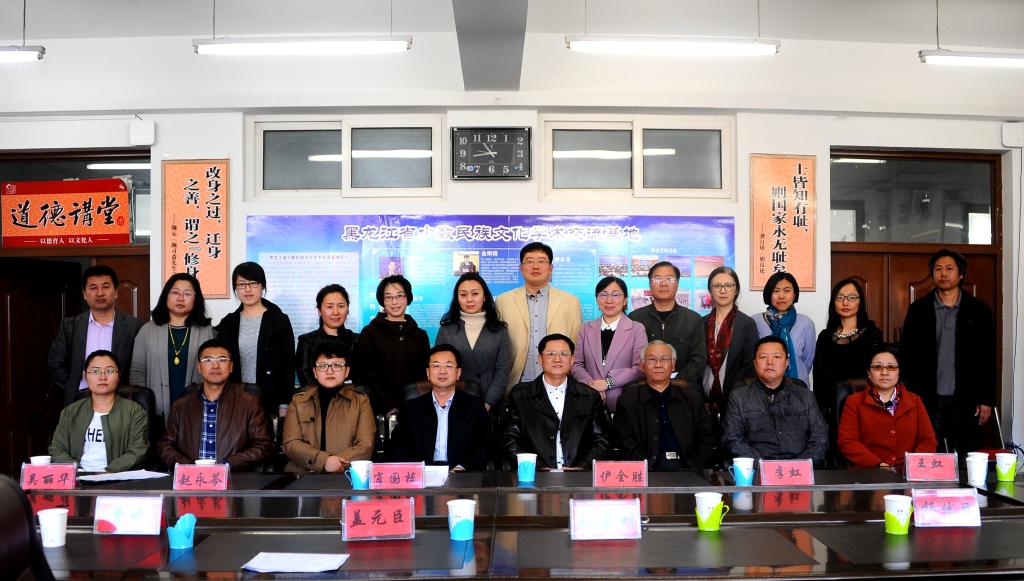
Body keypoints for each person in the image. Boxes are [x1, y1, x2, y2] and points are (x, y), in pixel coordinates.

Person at [900, 249, 996, 454]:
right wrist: (908, 396)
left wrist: (986, 399)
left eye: (949, 269)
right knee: (927, 453)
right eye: (938, 269)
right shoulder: (918, 310)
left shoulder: (979, 310)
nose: (943, 274)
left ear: (961, 274)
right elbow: (907, 355)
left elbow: (987, 358)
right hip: (926, 397)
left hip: (967, 397)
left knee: (966, 455)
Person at [156, 338, 274, 470]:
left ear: (231, 366)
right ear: (199, 367)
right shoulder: (180, 406)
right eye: (208, 360)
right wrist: (189, 466)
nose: (215, 366)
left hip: (233, 477)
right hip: (191, 478)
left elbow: (263, 445)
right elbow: (165, 445)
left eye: (222, 360)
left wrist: (228, 464)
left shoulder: (249, 404)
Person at [504, 333, 609, 470]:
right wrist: (537, 467)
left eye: (564, 354)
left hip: (579, 475)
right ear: (540, 359)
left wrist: (581, 467)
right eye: (551, 354)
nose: (557, 359)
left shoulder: (589, 396)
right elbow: (510, 439)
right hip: (535, 473)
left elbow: (601, 440)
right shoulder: (521, 395)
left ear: (572, 360)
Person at [722, 336, 829, 467]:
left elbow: (820, 438)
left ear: (787, 362)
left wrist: (799, 466)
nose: (770, 362)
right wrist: (765, 467)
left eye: (777, 357)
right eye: (763, 357)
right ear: (755, 363)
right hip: (757, 471)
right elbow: (732, 439)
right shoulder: (739, 397)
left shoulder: (805, 396)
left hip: (800, 471)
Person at [48, 265, 144, 406]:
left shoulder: (134, 327)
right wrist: (73, 384)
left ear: (116, 292)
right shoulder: (70, 326)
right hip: (80, 400)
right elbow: (55, 362)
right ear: (84, 294)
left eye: (105, 287)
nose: (100, 293)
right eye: (93, 288)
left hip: (121, 401)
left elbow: (140, 367)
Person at [613, 341, 715, 470]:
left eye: (664, 359)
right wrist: (644, 468)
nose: (658, 365)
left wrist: (693, 467)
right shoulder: (628, 401)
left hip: (688, 469)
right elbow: (624, 441)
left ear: (673, 365)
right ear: (642, 365)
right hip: (647, 470)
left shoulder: (692, 398)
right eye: (652, 360)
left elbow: (705, 439)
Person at [389, 345, 491, 470]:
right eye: (436, 365)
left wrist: (461, 468)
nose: (442, 371)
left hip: (461, 474)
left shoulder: (474, 407)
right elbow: (398, 446)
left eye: (448, 366)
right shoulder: (410, 408)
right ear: (428, 373)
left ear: (458, 373)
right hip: (421, 475)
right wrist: (418, 470)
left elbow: (484, 445)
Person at [495, 242, 583, 388]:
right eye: (529, 261)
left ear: (551, 268)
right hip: (516, 383)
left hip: (558, 383)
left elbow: (576, 345)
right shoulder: (503, 301)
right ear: (521, 268)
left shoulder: (570, 301)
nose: (535, 266)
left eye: (541, 261)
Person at [215, 261, 296, 418]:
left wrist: (284, 403)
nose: (247, 289)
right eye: (241, 284)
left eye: (253, 283)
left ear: (262, 286)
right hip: (235, 402)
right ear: (235, 288)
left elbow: (288, 365)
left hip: (269, 401)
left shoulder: (279, 321)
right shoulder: (228, 323)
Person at [813, 278, 883, 458]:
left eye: (851, 297)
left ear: (860, 302)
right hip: (830, 410)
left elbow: (876, 375)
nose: (845, 303)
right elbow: (819, 377)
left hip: (863, 408)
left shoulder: (872, 334)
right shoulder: (825, 337)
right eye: (840, 297)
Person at [282, 339, 375, 474]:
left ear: (347, 371)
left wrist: (336, 463)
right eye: (323, 366)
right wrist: (324, 461)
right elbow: (290, 443)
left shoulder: (361, 401)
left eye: (337, 365)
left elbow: (365, 446)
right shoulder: (298, 402)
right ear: (315, 372)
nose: (329, 371)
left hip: (345, 476)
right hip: (302, 476)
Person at [130, 273, 216, 419]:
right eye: (175, 292)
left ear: (196, 299)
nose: (180, 298)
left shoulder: (208, 332)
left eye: (187, 294)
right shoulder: (147, 330)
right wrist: (142, 407)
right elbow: (137, 372)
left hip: (198, 410)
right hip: (156, 410)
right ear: (166, 296)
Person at [48, 350, 149, 472]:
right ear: (85, 376)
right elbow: (57, 448)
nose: (102, 377)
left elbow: (138, 450)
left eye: (109, 371)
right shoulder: (71, 412)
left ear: (118, 376)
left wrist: (109, 471)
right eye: (95, 371)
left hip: (116, 477)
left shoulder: (134, 411)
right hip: (78, 476)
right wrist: (76, 470)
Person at [838, 346, 937, 467]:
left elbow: (928, 440)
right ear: (868, 373)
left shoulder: (915, 400)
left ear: (899, 372)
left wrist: (914, 466)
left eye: (891, 367)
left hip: (908, 471)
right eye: (877, 367)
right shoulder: (854, 402)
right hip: (869, 472)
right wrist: (878, 464)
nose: (884, 372)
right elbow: (847, 442)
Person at [355, 275, 430, 417]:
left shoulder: (420, 335)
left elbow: (423, 375)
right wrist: (389, 405)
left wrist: (414, 404)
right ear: (382, 301)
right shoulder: (369, 333)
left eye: (399, 296)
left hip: (414, 407)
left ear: (407, 298)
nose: (394, 302)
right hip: (378, 408)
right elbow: (368, 373)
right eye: (388, 297)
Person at [435, 273, 511, 412]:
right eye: (463, 295)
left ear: (484, 297)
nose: (469, 299)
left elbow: (503, 371)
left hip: (491, 405)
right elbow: (440, 370)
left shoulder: (499, 330)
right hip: (455, 405)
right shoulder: (446, 330)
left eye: (475, 293)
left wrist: (488, 403)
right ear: (457, 298)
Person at [572, 276, 647, 412]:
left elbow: (640, 367)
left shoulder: (637, 329)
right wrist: (592, 386)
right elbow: (577, 364)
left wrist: (608, 383)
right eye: (603, 295)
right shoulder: (585, 328)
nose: (609, 300)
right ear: (597, 299)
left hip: (624, 403)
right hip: (589, 402)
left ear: (625, 300)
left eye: (615, 295)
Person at [628, 261, 706, 388]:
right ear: (650, 284)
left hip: (682, 387)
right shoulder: (635, 318)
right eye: (658, 279)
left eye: (669, 279)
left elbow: (698, 359)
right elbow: (630, 358)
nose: (663, 283)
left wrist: (674, 381)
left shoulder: (693, 319)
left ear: (677, 284)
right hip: (644, 387)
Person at [700, 266, 758, 414]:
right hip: (704, 401)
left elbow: (749, 365)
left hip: (736, 401)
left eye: (728, 285)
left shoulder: (747, 324)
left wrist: (731, 395)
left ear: (736, 290)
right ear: (710, 290)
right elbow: (697, 361)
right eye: (717, 286)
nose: (723, 290)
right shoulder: (702, 323)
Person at [754, 271, 816, 386]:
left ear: (794, 295)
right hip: (763, 386)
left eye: (787, 291)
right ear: (769, 294)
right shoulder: (755, 321)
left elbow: (807, 361)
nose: (781, 296)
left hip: (798, 385)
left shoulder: (806, 323)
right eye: (776, 291)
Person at [295, 284, 359, 389]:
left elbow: (362, 379)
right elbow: (307, 382)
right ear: (319, 310)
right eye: (329, 307)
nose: (336, 312)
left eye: (341, 306)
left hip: (352, 398)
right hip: (316, 398)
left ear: (348, 309)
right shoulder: (307, 341)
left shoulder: (357, 340)